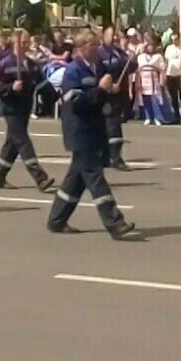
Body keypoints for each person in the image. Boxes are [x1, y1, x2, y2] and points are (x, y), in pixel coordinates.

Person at [47, 30, 139, 239]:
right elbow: (77, 103)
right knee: (95, 177)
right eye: (93, 45)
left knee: (76, 180)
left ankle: (56, 219)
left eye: (98, 44)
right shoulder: (72, 71)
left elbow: (113, 77)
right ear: (81, 48)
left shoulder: (99, 67)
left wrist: (112, 88)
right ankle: (115, 223)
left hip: (96, 129)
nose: (98, 48)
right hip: (80, 131)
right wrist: (100, 89)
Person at [0, 30, 55, 192]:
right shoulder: (6, 63)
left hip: (24, 107)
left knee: (12, 143)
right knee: (23, 141)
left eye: (28, 42)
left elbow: (42, 84)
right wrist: (10, 87)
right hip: (10, 108)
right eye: (23, 42)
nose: (26, 45)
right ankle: (40, 178)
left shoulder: (31, 64)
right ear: (15, 42)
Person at [98, 26, 133, 170]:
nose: (115, 38)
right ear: (103, 36)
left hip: (120, 95)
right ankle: (116, 158)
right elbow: (98, 74)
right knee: (113, 128)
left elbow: (129, 68)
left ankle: (105, 158)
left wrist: (133, 59)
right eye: (111, 35)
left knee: (111, 126)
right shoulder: (100, 54)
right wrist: (109, 87)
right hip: (106, 97)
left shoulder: (119, 52)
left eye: (116, 35)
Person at [136, 39, 169, 126]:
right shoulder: (140, 57)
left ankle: (157, 117)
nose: (150, 48)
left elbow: (162, 69)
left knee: (155, 99)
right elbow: (137, 70)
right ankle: (148, 117)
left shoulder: (158, 56)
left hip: (154, 80)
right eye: (148, 46)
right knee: (145, 99)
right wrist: (138, 82)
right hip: (143, 79)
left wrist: (162, 80)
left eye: (151, 46)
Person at [164, 32, 181, 124]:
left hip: (180, 75)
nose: (175, 41)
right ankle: (176, 115)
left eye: (176, 39)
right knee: (173, 97)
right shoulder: (169, 48)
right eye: (173, 39)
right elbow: (166, 61)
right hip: (170, 74)